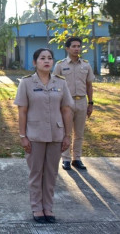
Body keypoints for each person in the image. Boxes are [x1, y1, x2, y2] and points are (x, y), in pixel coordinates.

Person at [14, 48, 73, 223]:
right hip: (34, 135)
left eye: (49, 58)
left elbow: (66, 110)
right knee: (36, 173)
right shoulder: (26, 83)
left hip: (56, 134)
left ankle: (48, 207)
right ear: (34, 62)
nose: (46, 61)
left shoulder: (61, 83)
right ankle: (37, 208)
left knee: (51, 173)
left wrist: (67, 135)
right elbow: (22, 111)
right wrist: (22, 135)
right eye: (42, 58)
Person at [53, 37, 95, 171]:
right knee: (66, 132)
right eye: (74, 46)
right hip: (66, 102)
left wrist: (91, 103)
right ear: (67, 48)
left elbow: (89, 85)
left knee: (79, 133)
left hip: (82, 101)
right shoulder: (60, 65)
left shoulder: (86, 65)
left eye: (79, 46)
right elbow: (54, 85)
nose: (77, 49)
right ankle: (66, 159)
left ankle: (77, 159)